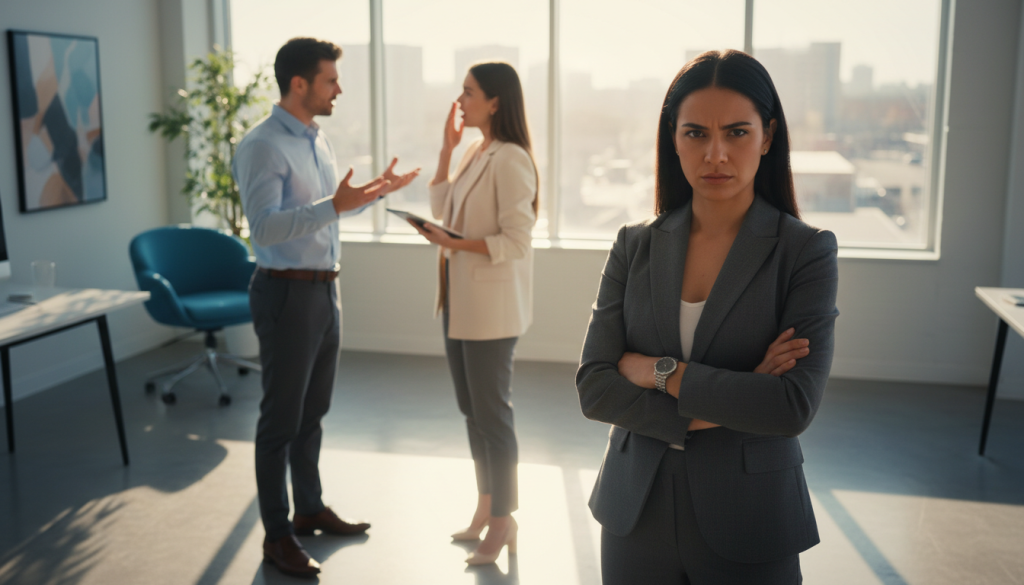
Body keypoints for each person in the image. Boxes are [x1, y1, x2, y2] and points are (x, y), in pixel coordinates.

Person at [576, 49, 839, 584]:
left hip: (749, 515)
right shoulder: (635, 245)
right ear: (673, 139)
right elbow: (595, 386)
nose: (715, 153)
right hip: (634, 511)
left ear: (767, 137)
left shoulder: (805, 252)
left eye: (737, 133)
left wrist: (658, 372)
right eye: (696, 133)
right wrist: (736, 396)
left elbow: (791, 405)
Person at [233, 37, 419, 579]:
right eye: (330, 80)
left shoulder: (317, 141)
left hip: (323, 289)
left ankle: (309, 507)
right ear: (299, 84)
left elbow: (324, 215)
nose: (339, 88)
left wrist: (369, 196)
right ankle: (277, 536)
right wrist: (333, 205)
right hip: (285, 292)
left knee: (312, 413)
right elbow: (263, 228)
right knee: (280, 422)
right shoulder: (262, 145)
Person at [409, 61, 538, 566]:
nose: (459, 100)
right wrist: (444, 150)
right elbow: (444, 207)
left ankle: (504, 519)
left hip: (490, 308)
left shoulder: (511, 159)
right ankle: (487, 505)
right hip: (457, 300)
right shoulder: (474, 151)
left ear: (495, 101)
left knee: (493, 416)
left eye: (468, 92)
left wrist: (455, 244)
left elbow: (517, 241)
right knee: (472, 412)